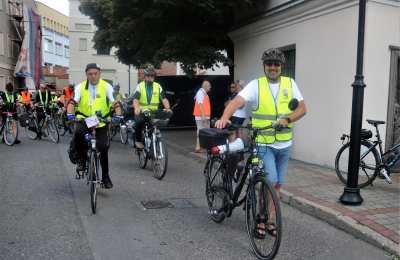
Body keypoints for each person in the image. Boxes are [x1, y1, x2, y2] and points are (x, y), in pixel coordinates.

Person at [215, 48, 307, 236]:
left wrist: (287, 119)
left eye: (276, 64)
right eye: (269, 64)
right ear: (264, 66)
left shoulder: (290, 84)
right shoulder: (256, 85)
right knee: (271, 182)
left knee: (278, 185)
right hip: (264, 143)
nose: (273, 67)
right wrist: (225, 116)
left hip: (284, 145)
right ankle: (260, 219)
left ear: (282, 66)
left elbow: (303, 109)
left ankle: (270, 219)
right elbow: (237, 102)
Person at [67, 63, 121, 189]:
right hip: (84, 120)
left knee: (103, 147)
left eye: (95, 73)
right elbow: (72, 102)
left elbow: (115, 103)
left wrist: (118, 115)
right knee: (78, 133)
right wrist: (70, 114)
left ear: (99, 73)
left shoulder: (107, 86)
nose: (93, 76)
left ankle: (106, 176)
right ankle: (81, 159)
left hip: (101, 122)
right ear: (86, 74)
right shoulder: (80, 87)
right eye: (90, 74)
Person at [132, 65, 172, 149]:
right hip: (142, 112)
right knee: (138, 122)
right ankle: (138, 141)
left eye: (152, 76)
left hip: (153, 113)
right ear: (145, 77)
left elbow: (164, 99)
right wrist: (137, 108)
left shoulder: (158, 86)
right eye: (148, 76)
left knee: (154, 125)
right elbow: (135, 99)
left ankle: (151, 142)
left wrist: (168, 108)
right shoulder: (140, 86)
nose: (150, 77)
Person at [193, 80, 212, 153]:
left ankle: (202, 147)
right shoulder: (200, 93)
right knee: (201, 132)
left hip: (204, 116)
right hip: (202, 117)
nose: (210, 87)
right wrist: (203, 116)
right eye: (209, 86)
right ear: (205, 86)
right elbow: (200, 104)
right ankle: (198, 147)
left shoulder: (203, 93)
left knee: (204, 132)